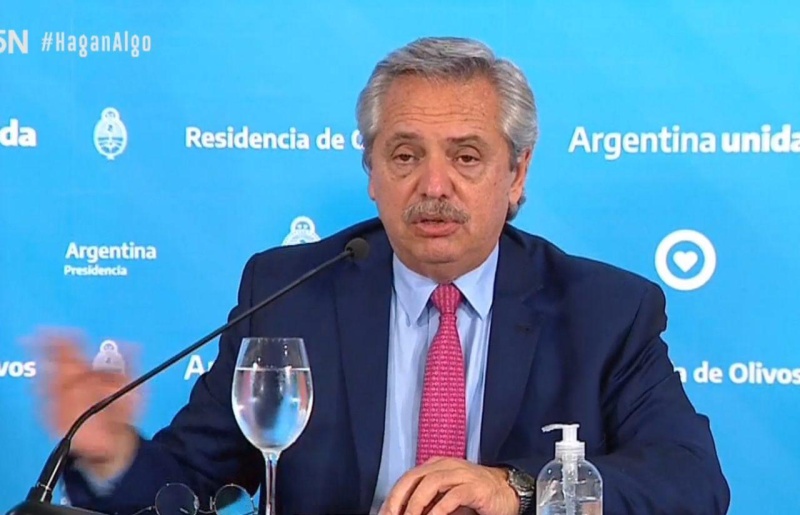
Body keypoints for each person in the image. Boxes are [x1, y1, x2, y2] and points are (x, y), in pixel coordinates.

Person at [36, 37, 730, 515]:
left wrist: (518, 489)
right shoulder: (290, 293)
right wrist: (110, 454)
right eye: (404, 155)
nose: (434, 186)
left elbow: (692, 479)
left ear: (517, 174)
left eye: (466, 157)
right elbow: (186, 479)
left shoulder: (605, 310)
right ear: (371, 171)